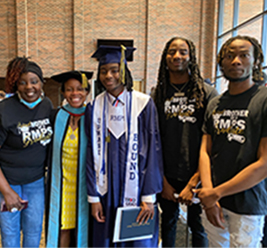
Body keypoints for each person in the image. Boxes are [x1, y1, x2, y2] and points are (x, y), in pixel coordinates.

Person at [85, 45, 163, 247]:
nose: (108, 76)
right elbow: (90, 153)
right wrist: (93, 198)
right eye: (103, 71)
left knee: (136, 237)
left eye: (114, 70)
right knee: (105, 236)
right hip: (105, 188)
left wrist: (149, 195)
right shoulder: (94, 108)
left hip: (136, 187)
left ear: (124, 72)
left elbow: (153, 152)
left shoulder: (143, 103)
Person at [194, 35, 267, 247]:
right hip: (214, 202)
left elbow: (264, 164)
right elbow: (205, 152)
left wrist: (215, 193)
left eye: (244, 55)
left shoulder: (263, 100)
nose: (236, 61)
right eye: (229, 56)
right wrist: (210, 197)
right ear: (221, 62)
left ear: (255, 61)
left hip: (248, 204)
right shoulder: (215, 103)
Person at [153, 37, 217, 247]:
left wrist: (195, 181)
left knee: (199, 227)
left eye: (183, 52)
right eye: (172, 52)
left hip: (199, 174)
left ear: (191, 57)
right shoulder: (158, 94)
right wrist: (162, 182)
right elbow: (153, 140)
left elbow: (213, 142)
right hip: (168, 175)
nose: (177, 56)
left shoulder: (206, 93)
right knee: (168, 223)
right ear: (165, 57)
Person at [0, 57, 53, 247]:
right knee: (10, 233)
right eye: (22, 83)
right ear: (15, 85)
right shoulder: (4, 110)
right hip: (8, 183)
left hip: (36, 183)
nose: (29, 87)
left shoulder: (46, 105)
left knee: (34, 232)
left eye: (34, 81)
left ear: (41, 82)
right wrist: (6, 191)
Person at [46, 70, 93, 247]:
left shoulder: (92, 115)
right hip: (62, 184)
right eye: (69, 89)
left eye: (80, 89)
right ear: (63, 93)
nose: (75, 94)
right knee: (63, 227)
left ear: (87, 91)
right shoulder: (55, 115)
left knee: (84, 228)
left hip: (86, 184)